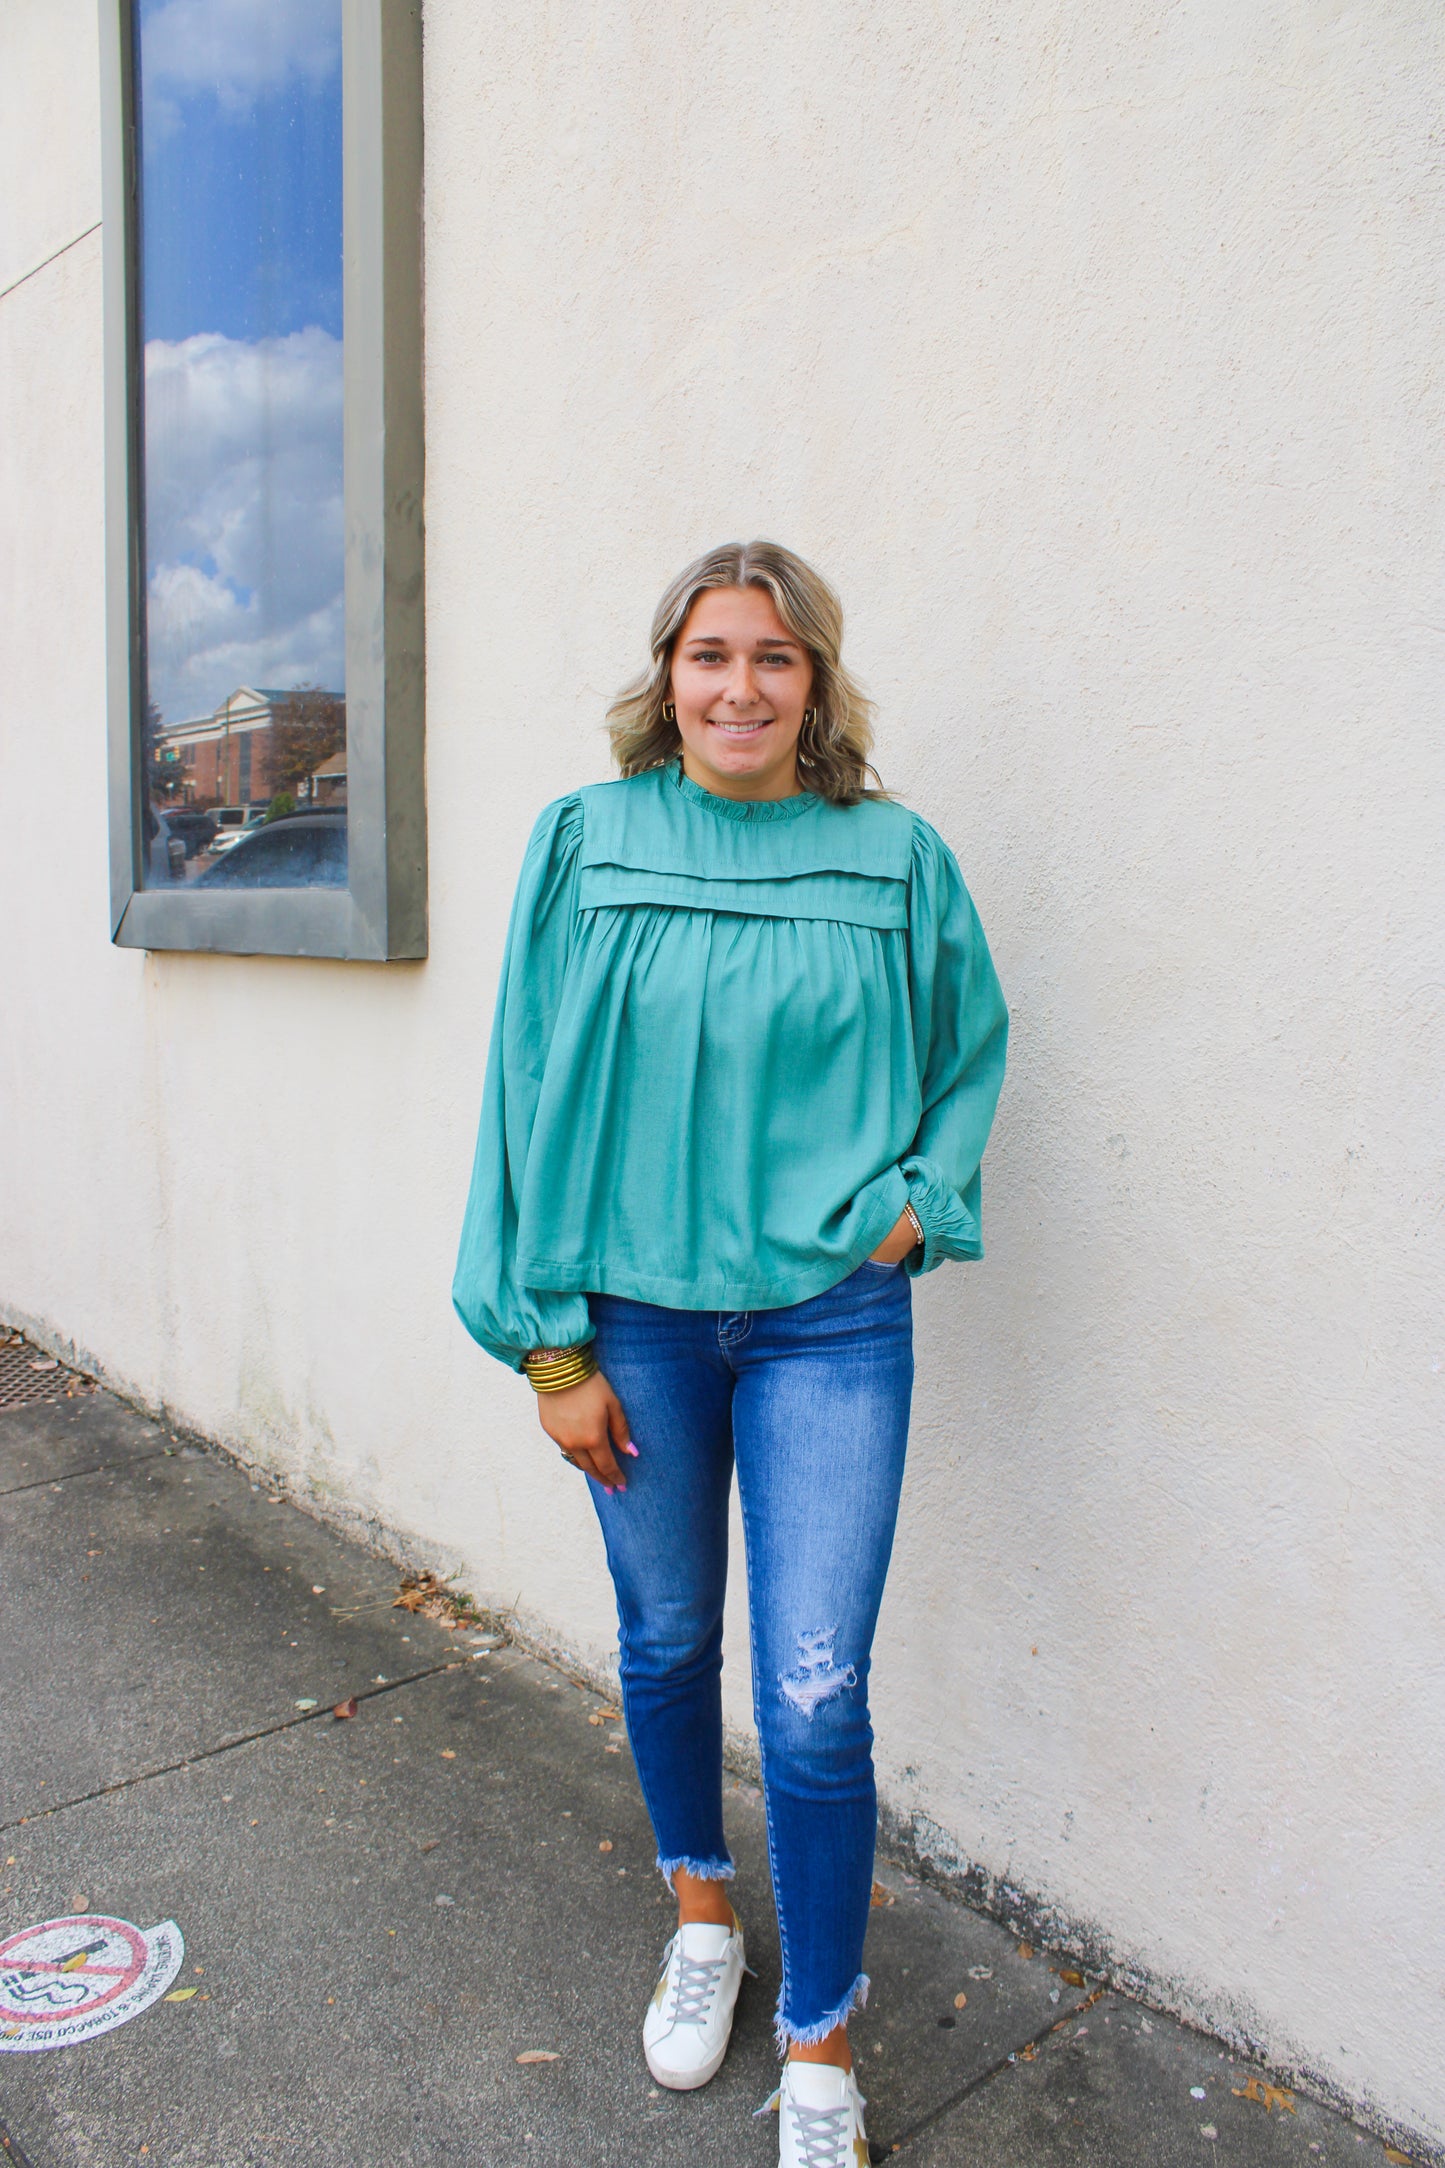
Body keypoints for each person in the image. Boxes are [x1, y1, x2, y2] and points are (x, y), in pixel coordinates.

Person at [454, 541, 1007, 2167]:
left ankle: (820, 2039)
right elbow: (526, 1087)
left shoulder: (893, 854)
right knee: (667, 1637)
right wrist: (549, 1350)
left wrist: (917, 1204)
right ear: (666, 675)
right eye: (710, 654)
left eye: (773, 658)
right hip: (631, 1315)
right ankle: (704, 1916)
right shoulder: (587, 840)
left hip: (832, 1320)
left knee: (818, 1699)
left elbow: (966, 1046)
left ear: (815, 684)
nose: (739, 687)